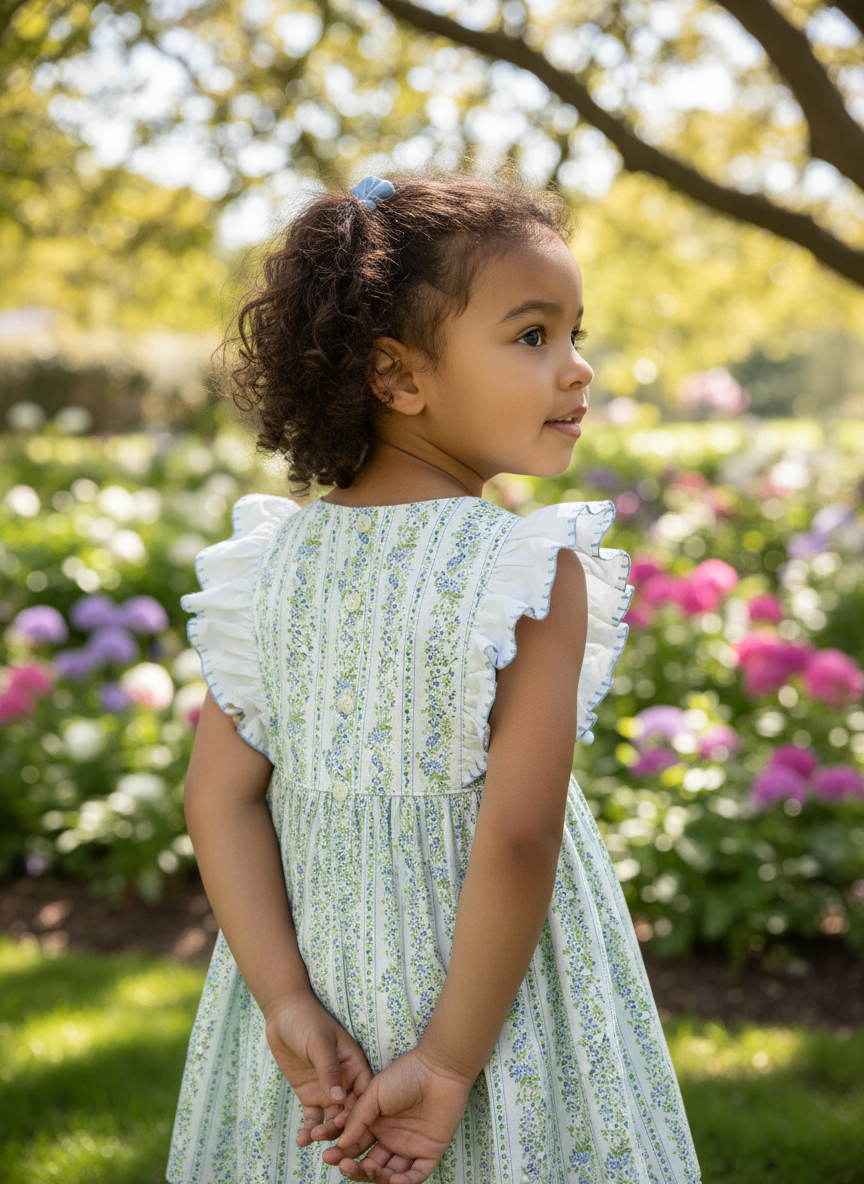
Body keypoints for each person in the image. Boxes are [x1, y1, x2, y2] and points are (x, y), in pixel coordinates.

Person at [166, 171, 701, 1184]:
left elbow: (218, 798)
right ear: (397, 375)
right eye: (533, 335)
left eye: (575, 332)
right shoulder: (525, 571)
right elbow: (518, 832)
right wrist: (450, 1061)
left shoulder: (269, 570)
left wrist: (286, 1002)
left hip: (316, 991)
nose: (578, 368)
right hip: (490, 1008)